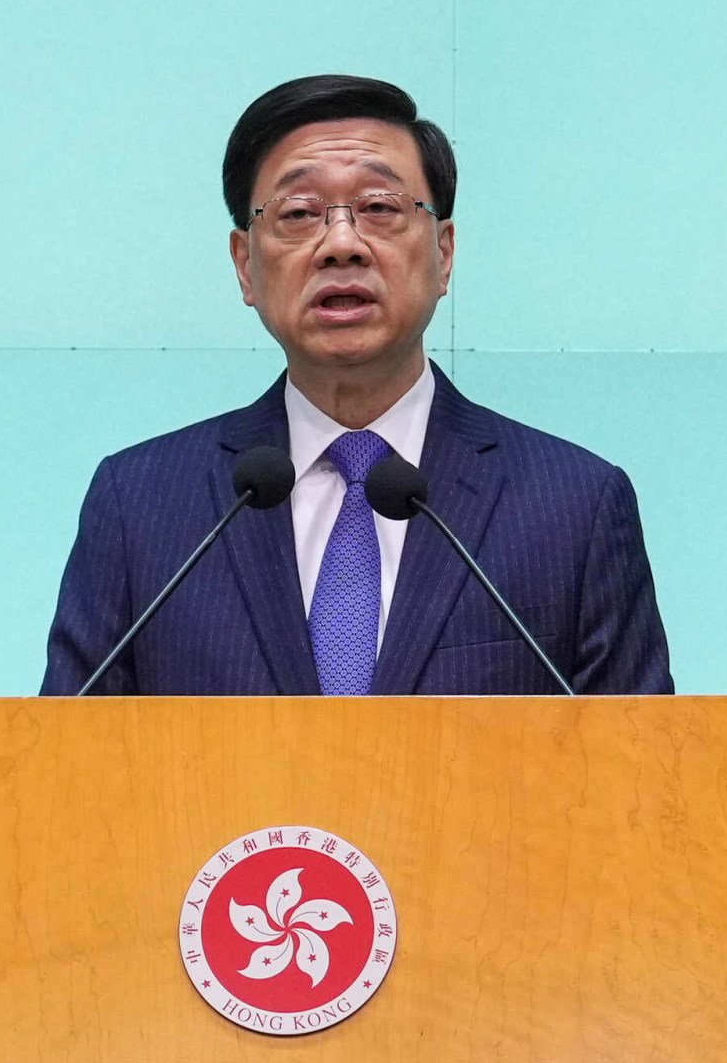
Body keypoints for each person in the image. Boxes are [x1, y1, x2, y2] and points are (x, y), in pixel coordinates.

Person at [42, 74, 673, 696]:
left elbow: (642, 779)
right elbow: (67, 772)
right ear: (245, 266)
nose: (341, 245)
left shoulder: (575, 507)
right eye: (297, 213)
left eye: (379, 208)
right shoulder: (140, 505)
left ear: (445, 252)